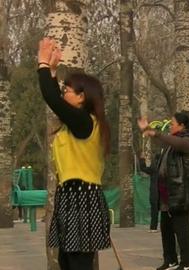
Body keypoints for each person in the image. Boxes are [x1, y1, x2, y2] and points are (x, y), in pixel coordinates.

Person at [38, 37, 111, 270]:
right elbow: (56, 99)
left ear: (82, 97)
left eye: (67, 90)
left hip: (82, 198)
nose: (63, 94)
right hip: (70, 197)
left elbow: (51, 98)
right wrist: (52, 70)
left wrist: (42, 62)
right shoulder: (76, 124)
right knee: (67, 261)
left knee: (78, 263)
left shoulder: (84, 122)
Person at [138, 112, 189, 270]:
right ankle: (170, 260)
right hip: (166, 195)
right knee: (166, 230)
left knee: (181, 230)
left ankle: (187, 263)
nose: (170, 126)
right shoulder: (170, 146)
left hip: (180, 194)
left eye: (173, 123)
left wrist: (155, 132)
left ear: (181, 126)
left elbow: (175, 142)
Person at [138, 152, 162, 232]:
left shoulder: (154, 168)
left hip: (155, 192)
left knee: (154, 210)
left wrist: (142, 159)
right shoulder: (161, 168)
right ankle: (156, 228)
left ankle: (153, 227)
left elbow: (143, 168)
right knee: (163, 211)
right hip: (160, 192)